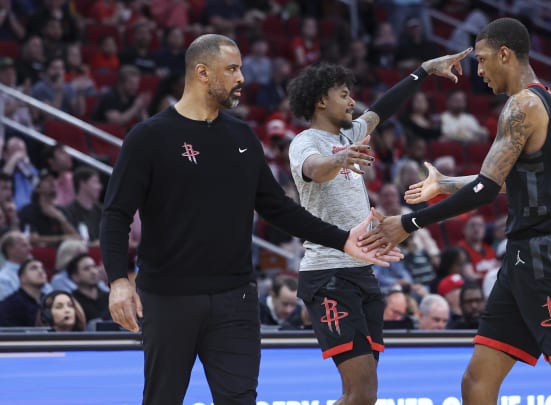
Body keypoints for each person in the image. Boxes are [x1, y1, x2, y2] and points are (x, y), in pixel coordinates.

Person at [98, 34, 402, 405]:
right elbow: (116, 213)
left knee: (241, 399)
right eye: (232, 69)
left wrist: (342, 239)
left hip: (236, 297)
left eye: (240, 68)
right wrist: (117, 281)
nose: (241, 77)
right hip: (168, 297)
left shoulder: (241, 135)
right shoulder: (149, 137)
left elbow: (276, 207)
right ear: (202, 73)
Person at [359, 18, 551, 404]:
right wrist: (445, 184)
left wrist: (409, 222)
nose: (479, 72)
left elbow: (486, 189)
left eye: (483, 61)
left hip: (543, 257)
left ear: (505, 54)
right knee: (476, 382)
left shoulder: (522, 105)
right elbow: (506, 179)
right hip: (525, 258)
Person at [286, 48, 470, 405]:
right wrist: (339, 158)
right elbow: (315, 168)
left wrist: (423, 71)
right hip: (329, 276)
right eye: (344, 94)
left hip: (363, 271)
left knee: (365, 395)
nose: (352, 101)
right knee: (358, 393)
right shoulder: (305, 142)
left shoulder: (351, 132)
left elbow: (383, 109)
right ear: (321, 101)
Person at [0, 259, 48, 327]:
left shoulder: (50, 301)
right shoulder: (10, 305)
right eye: (34, 268)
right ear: (22, 277)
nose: (41, 271)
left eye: (42, 268)